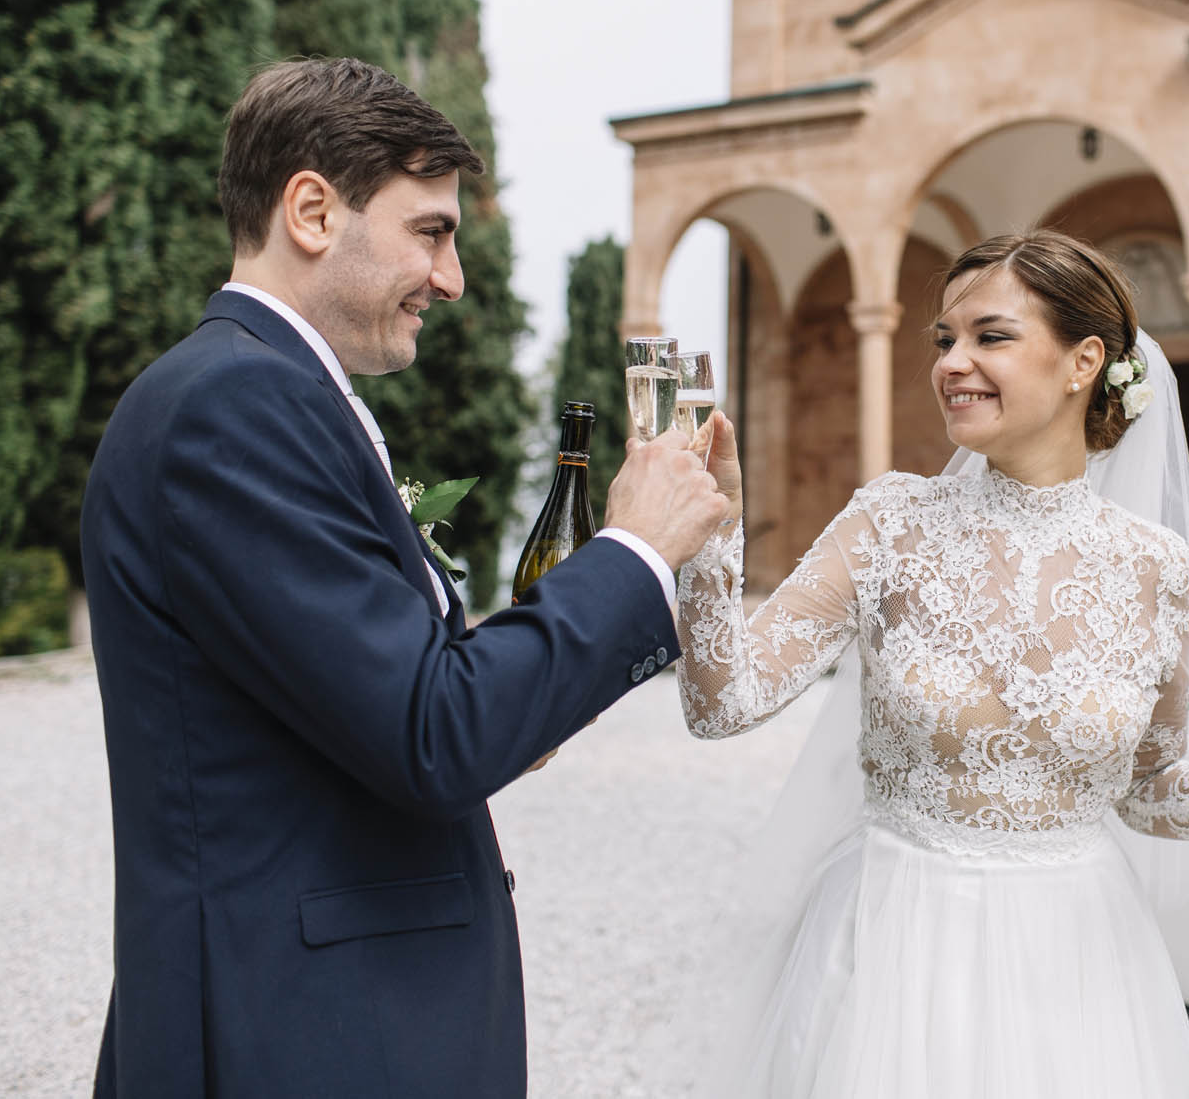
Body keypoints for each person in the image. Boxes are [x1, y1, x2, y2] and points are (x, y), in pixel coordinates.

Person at [79, 58, 727, 1098]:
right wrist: (636, 550)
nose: (452, 276)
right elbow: (436, 733)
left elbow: (384, 705)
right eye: (430, 229)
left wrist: (530, 704)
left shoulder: (269, 392)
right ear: (311, 210)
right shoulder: (232, 409)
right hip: (296, 1033)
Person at [676, 230, 1189, 1098]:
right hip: (894, 946)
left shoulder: (1157, 568)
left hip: (1077, 965)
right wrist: (709, 537)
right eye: (944, 339)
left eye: (989, 336)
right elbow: (720, 701)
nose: (953, 362)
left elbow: (1143, 786)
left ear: (1083, 362)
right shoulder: (890, 525)